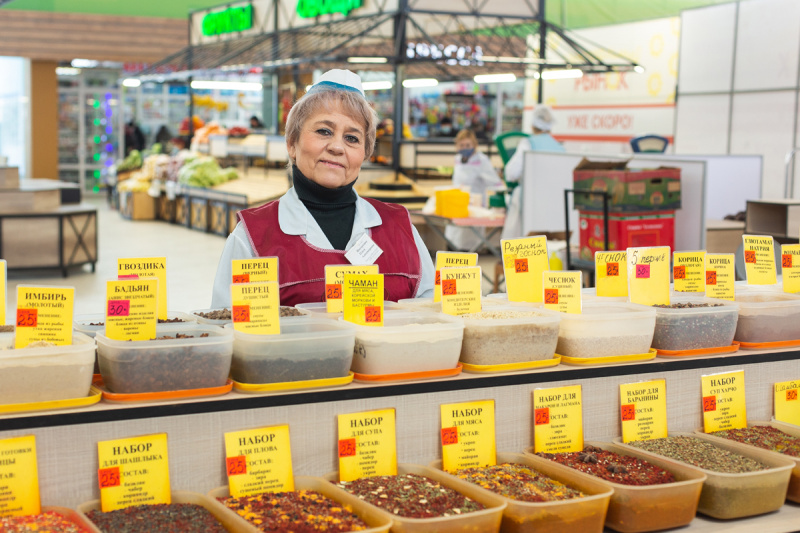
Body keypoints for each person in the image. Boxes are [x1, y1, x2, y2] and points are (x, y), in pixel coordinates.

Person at [212, 70, 435, 307]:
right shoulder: (253, 236)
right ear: (292, 143)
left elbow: (431, 314)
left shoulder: (401, 228)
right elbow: (230, 326)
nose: (337, 147)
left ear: (365, 154)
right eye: (324, 131)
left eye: (352, 138)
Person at [501, 105, 565, 240]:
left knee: (521, 243)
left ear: (532, 125)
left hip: (529, 200)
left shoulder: (528, 143)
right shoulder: (559, 147)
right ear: (550, 126)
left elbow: (512, 173)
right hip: (553, 203)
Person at [444, 129, 504, 251]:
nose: (465, 148)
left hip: (474, 209)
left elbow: (495, 182)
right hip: (457, 207)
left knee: (468, 248)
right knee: (452, 244)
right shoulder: (458, 159)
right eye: (461, 145)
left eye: (468, 145)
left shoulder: (482, 160)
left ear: (474, 145)